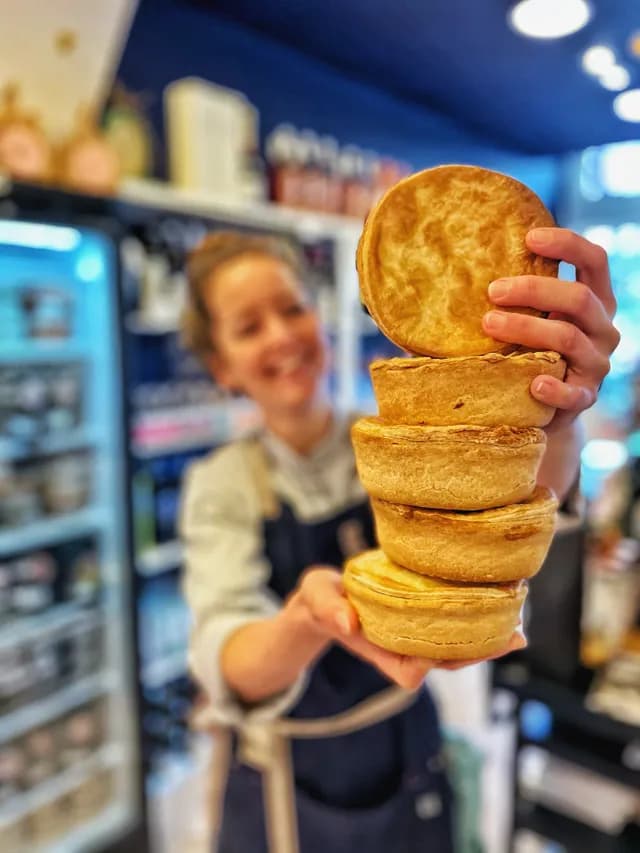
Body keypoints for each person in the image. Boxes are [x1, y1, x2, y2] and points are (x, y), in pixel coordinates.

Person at [179, 228, 619, 853]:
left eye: (292, 308)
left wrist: (560, 413)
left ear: (320, 316)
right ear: (221, 365)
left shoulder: (400, 437)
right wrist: (308, 618)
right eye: (249, 327)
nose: (280, 336)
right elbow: (228, 658)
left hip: (408, 740)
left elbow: (507, 508)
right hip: (289, 774)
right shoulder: (222, 484)